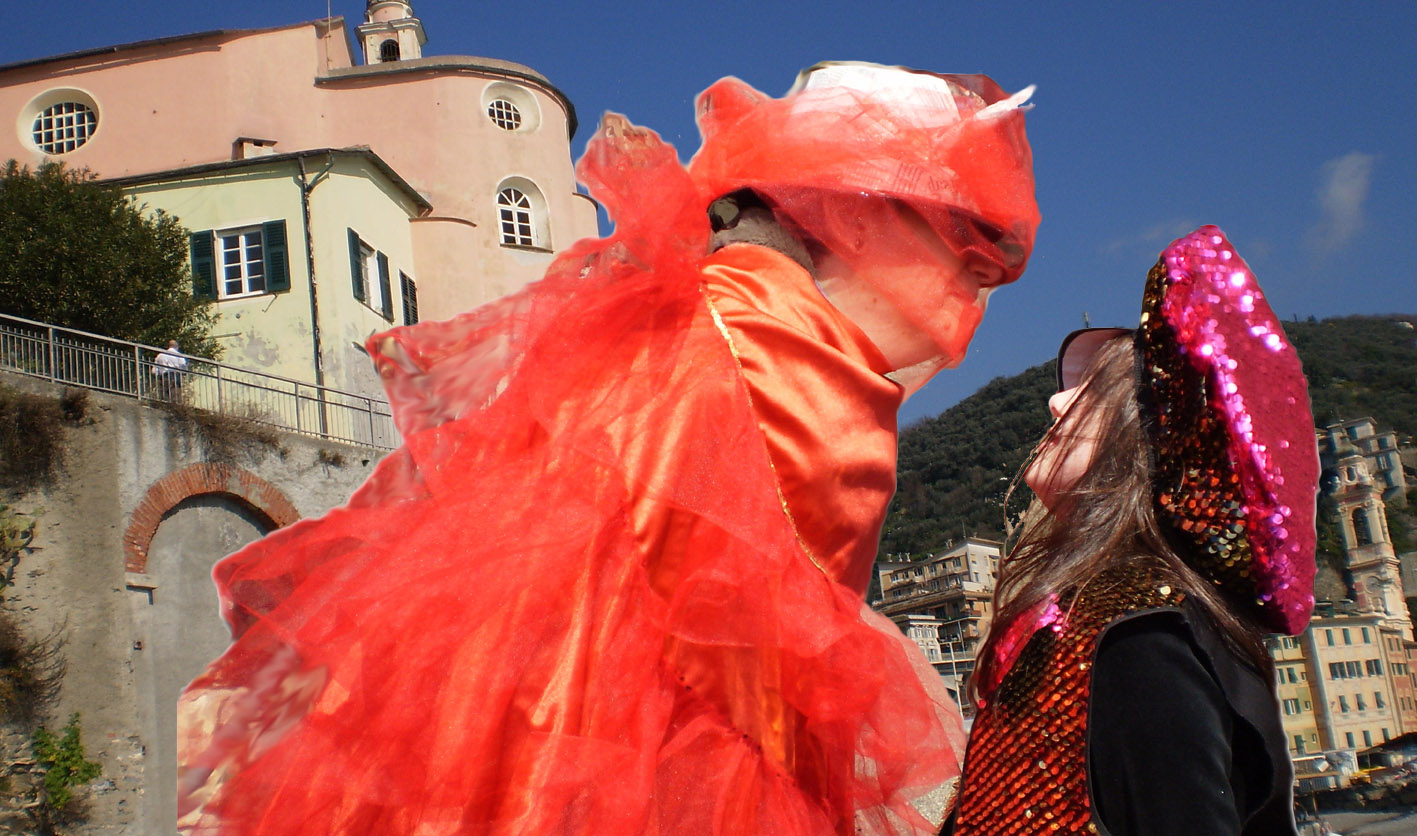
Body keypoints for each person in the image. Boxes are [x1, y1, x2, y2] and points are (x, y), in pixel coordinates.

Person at [176, 62, 1038, 836]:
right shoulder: (771, 346)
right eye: (946, 235)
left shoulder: (675, 319)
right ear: (857, 212)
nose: (963, 281)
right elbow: (725, 643)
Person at [948, 226, 1317, 835]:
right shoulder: (1097, 617)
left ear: (1150, 439)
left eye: (1089, 392)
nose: (1054, 405)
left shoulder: (1143, 636)